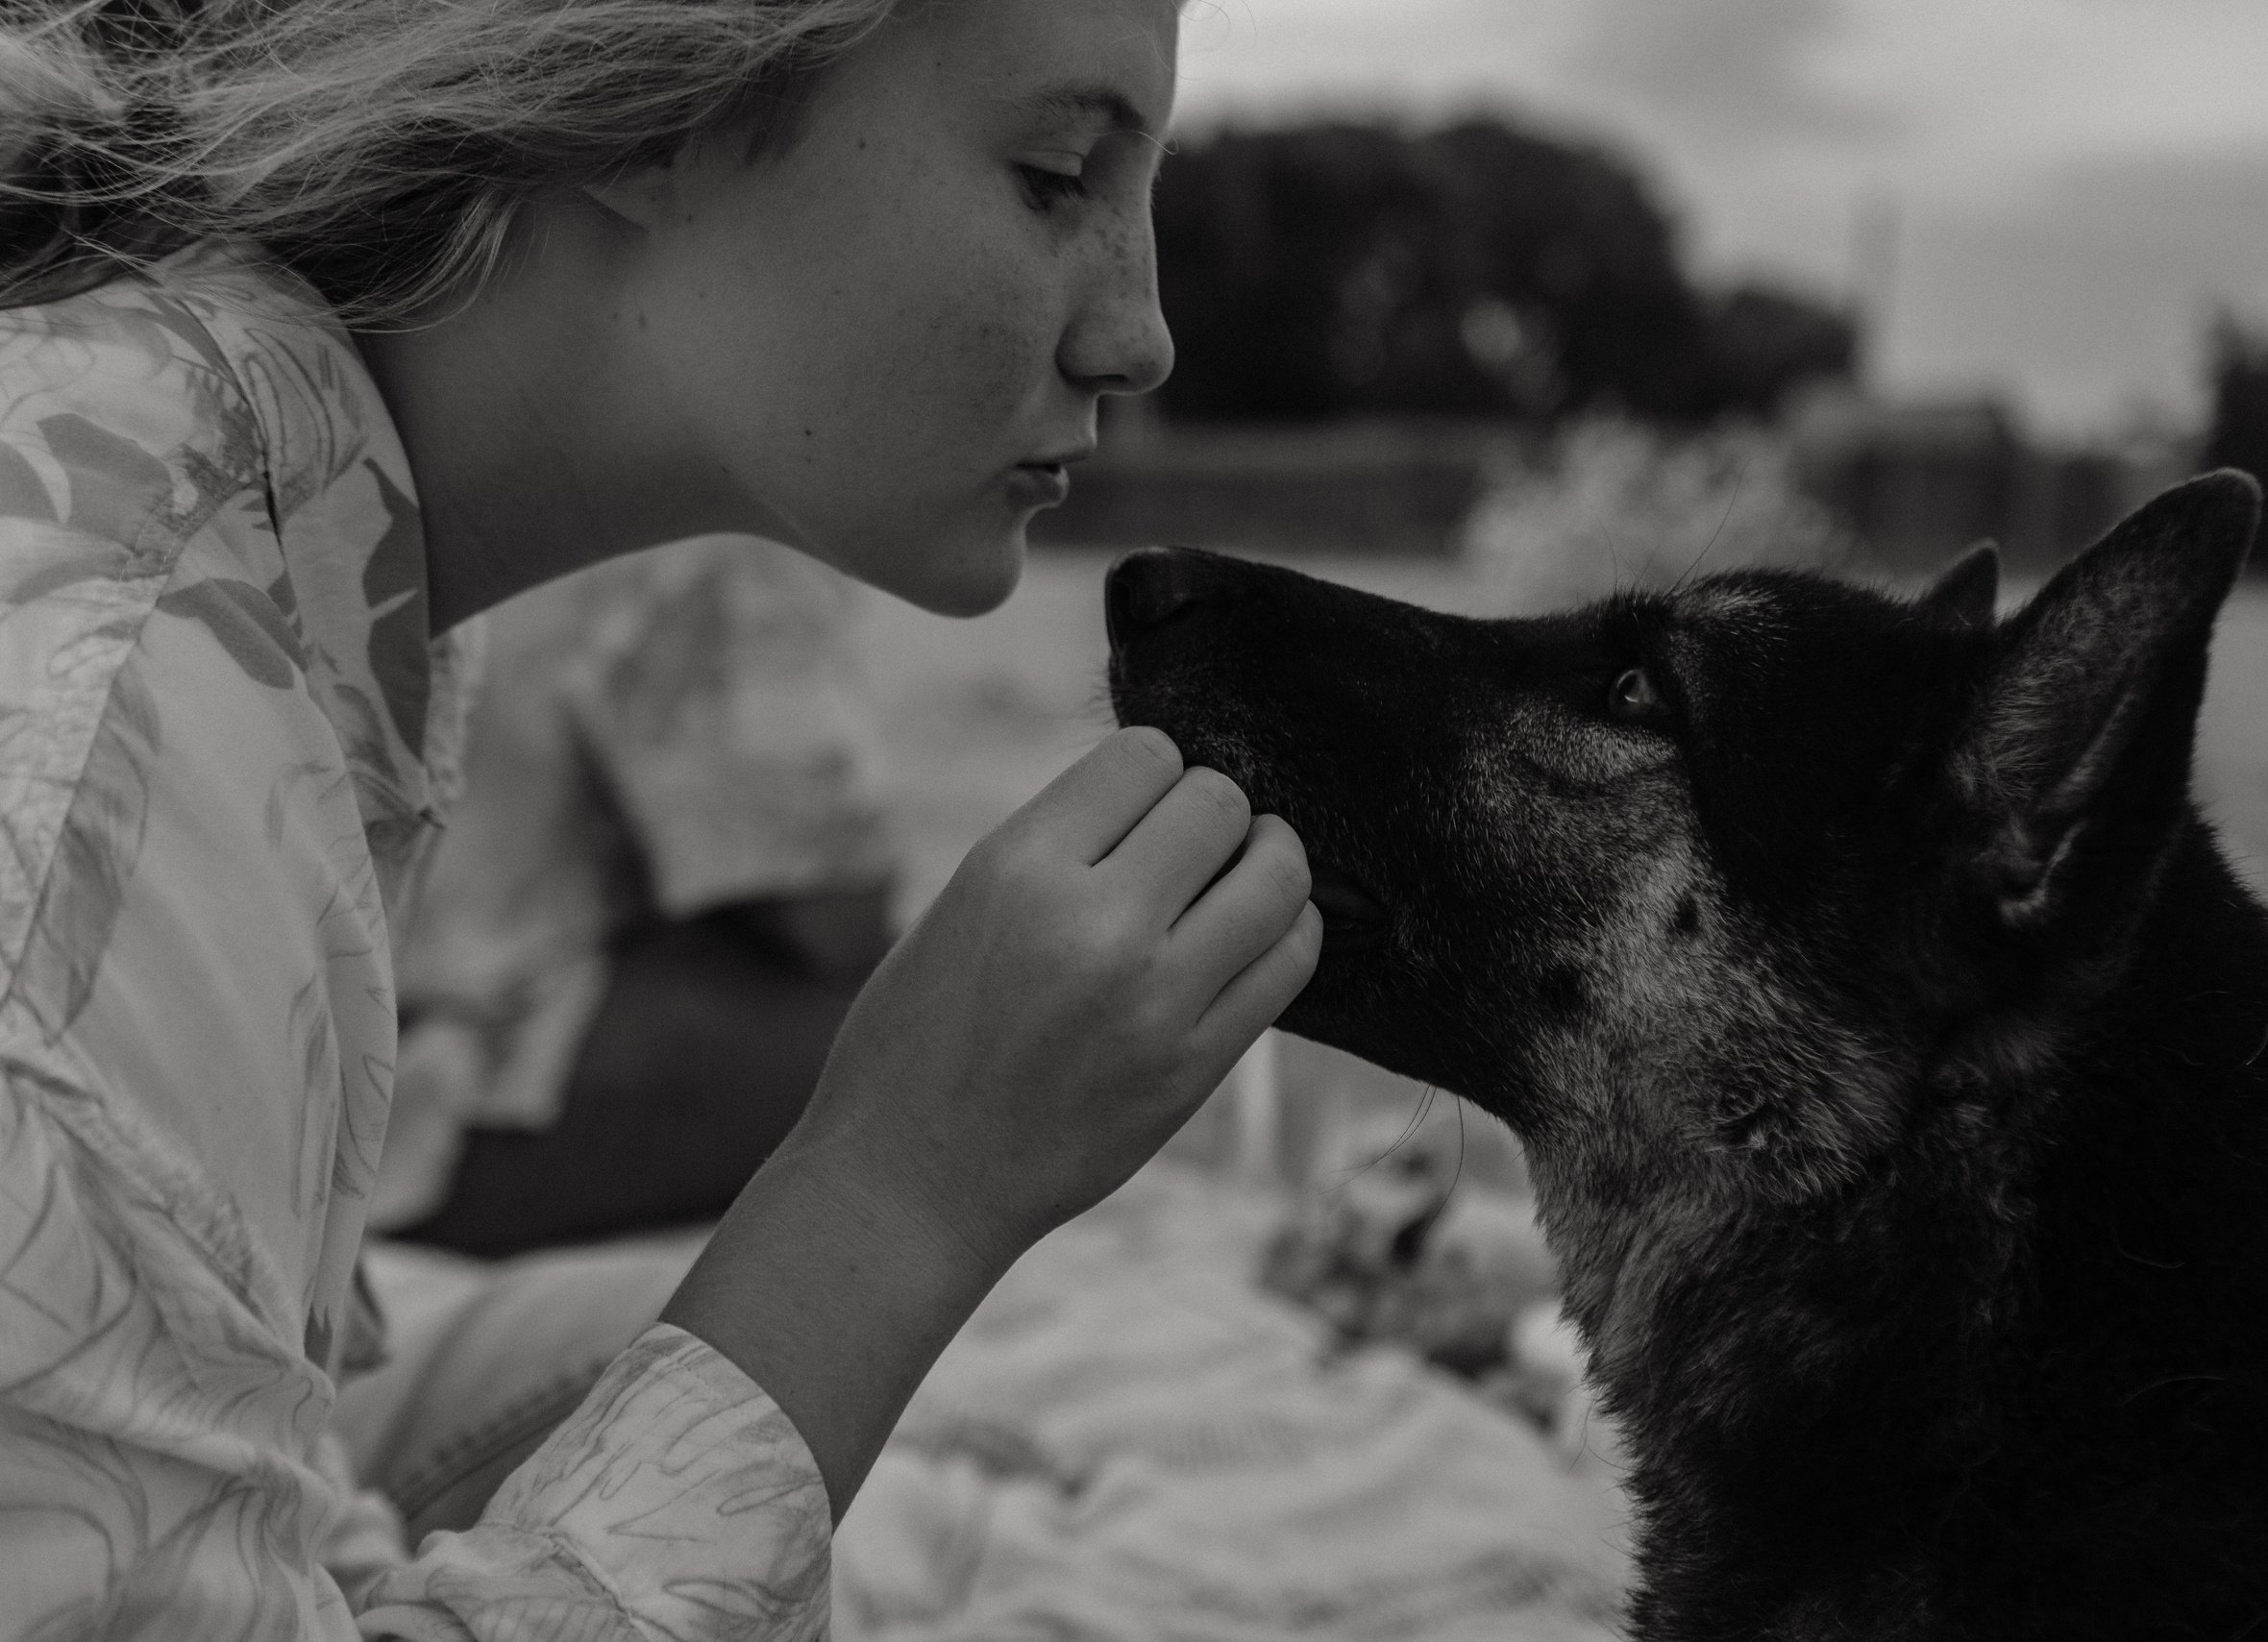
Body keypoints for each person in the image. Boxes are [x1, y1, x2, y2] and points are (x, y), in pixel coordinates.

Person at [0, 1, 1321, 1638]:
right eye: (1057, 175)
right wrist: (890, 1193)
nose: (1142, 335)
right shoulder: (107, 744)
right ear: (640, 111)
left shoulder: (273, 519)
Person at [373, 533, 900, 1252]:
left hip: (320, 1051)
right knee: (936, 1029)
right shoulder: (737, 523)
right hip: (443, 1099)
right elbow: (830, 918)